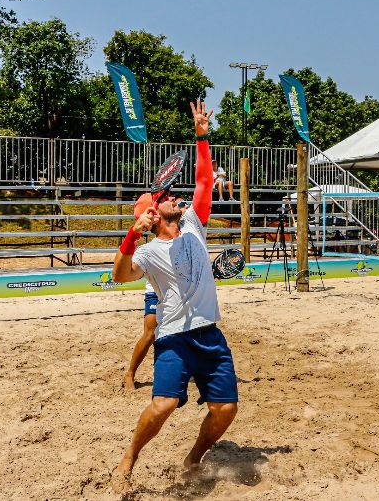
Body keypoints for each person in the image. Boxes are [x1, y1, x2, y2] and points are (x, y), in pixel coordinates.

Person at [111, 100, 237, 492]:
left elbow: (203, 180)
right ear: (152, 212)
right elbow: (118, 276)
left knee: (226, 409)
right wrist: (132, 234)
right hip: (175, 338)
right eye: (165, 196)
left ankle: (193, 458)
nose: (175, 196)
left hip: (210, 335)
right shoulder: (147, 251)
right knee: (164, 404)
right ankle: (129, 457)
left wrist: (202, 134)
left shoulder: (195, 223)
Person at [123, 198, 190, 391]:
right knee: (150, 334)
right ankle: (130, 373)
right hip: (156, 290)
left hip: (179, 288)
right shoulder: (152, 247)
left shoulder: (183, 226)